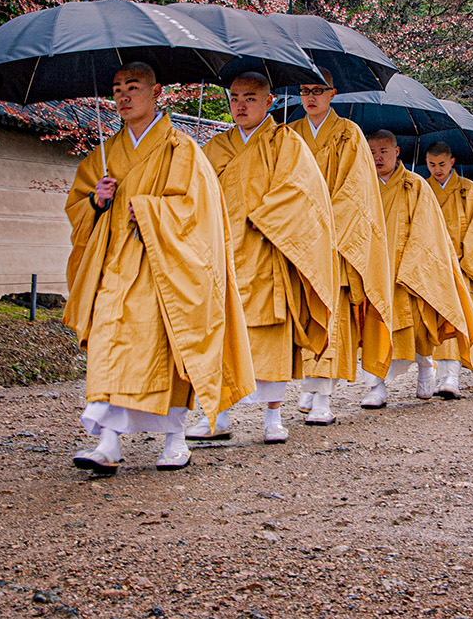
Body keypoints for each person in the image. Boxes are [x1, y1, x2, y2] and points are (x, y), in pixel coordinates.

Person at [65, 62, 255, 475]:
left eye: (132, 87)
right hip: (114, 264)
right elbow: (78, 208)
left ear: (157, 93)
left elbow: (197, 209)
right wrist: (96, 200)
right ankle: (108, 442)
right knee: (108, 346)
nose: (123, 96)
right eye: (116, 89)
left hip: (163, 267)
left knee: (164, 350)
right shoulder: (105, 152)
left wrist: (152, 210)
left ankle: (176, 440)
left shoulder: (181, 148)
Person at [191, 71, 337, 443]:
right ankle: (216, 416)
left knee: (269, 336)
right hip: (222, 254)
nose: (240, 105)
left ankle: (273, 418)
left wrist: (266, 216)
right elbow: (194, 191)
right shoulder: (216, 146)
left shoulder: (285, 142)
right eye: (235, 97)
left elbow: (303, 191)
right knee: (219, 333)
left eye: (250, 98)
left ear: (269, 101)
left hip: (266, 249)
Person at [289, 69, 394, 424]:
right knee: (304, 313)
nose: (311, 97)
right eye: (305, 90)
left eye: (318, 90)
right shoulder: (290, 134)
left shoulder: (348, 134)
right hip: (299, 239)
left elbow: (355, 192)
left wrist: (323, 225)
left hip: (335, 239)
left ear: (332, 93)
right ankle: (310, 382)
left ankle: (325, 397)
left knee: (333, 318)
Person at [363, 130, 473, 407]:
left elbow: (429, 230)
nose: (378, 157)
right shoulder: (362, 184)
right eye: (373, 152)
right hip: (374, 267)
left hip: (409, 268)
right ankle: (376, 386)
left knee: (417, 327)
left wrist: (411, 265)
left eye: (383, 151)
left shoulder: (415, 185)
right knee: (374, 327)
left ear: (397, 152)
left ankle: (426, 366)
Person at [424, 142, 473, 395]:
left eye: (441, 164)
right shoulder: (421, 188)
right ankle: (429, 375)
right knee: (430, 322)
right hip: (429, 266)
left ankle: (451, 377)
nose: (437, 170)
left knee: (457, 320)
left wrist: (464, 261)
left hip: (461, 267)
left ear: (452, 162)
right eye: (431, 165)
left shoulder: (468, 190)